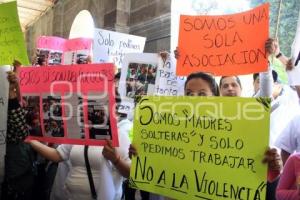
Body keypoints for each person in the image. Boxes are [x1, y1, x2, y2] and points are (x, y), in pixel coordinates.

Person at [1, 61, 37, 200]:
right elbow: (20, 129)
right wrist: (11, 94)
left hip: (18, 167)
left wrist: (15, 90)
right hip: (15, 170)